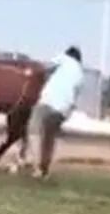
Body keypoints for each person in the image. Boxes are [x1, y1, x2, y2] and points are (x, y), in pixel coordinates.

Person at [29, 46, 84, 178]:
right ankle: (44, 169)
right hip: (63, 109)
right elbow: (75, 95)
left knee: (34, 132)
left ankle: (36, 166)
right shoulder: (81, 75)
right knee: (49, 139)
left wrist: (31, 72)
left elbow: (46, 66)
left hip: (48, 101)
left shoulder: (65, 59)